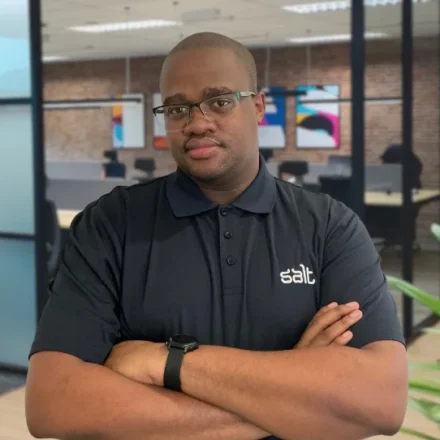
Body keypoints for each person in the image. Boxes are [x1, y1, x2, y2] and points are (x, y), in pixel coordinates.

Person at [26, 32, 408, 440]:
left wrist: (165, 362)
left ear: (258, 107)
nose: (197, 122)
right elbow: (52, 404)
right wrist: (290, 397)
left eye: (220, 101)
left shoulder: (329, 226)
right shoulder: (109, 225)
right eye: (177, 109)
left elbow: (382, 401)